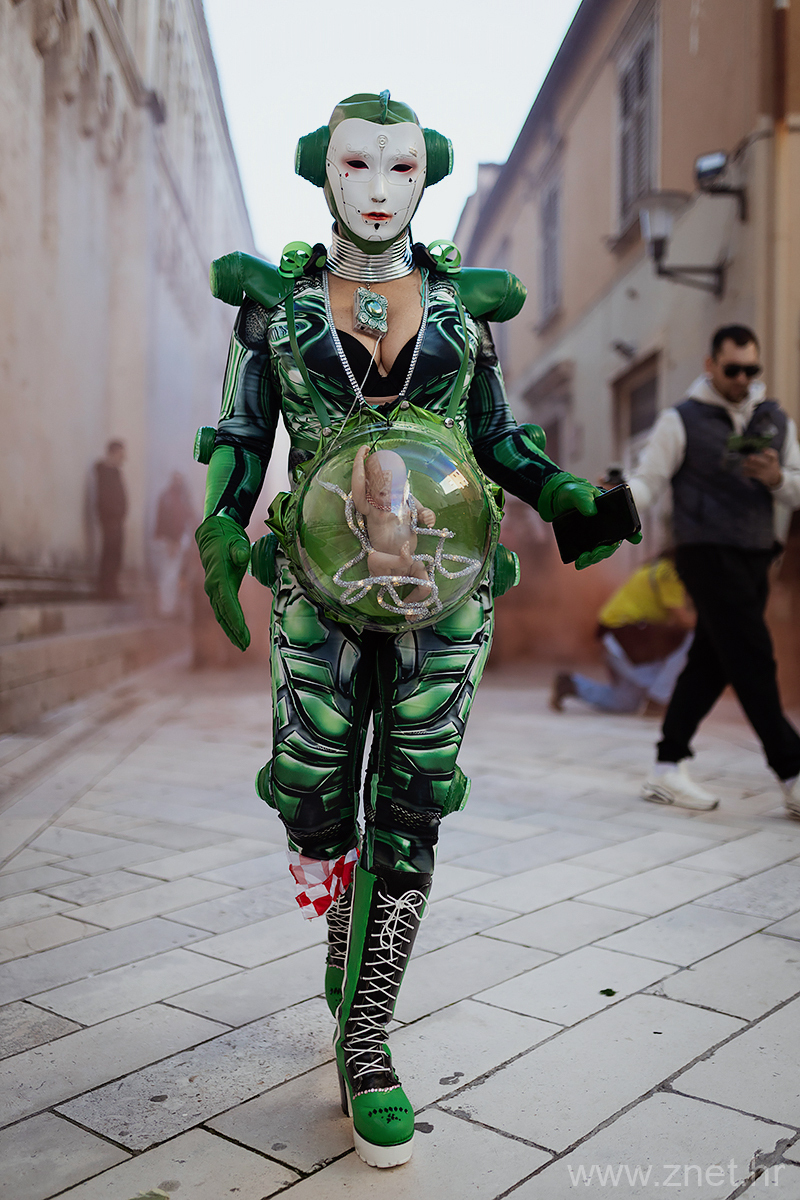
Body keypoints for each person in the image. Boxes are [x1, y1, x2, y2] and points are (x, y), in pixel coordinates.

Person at [194, 92, 632, 1168]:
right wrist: (221, 523)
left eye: (401, 168)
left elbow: (499, 433)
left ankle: (369, 1035)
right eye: (358, 164)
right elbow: (244, 431)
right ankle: (344, 940)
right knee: (311, 792)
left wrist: (561, 492)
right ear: (324, 170)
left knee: (415, 794)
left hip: (447, 588)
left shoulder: (460, 310)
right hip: (316, 579)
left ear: (425, 175)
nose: (380, 189)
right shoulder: (276, 307)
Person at [628, 325, 800, 814]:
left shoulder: (775, 419)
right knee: (752, 658)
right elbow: (648, 482)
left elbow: (798, 486)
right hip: (704, 554)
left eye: (751, 369)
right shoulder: (679, 419)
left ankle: (667, 766)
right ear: (711, 366)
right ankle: (792, 769)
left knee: (712, 660)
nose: (742, 378)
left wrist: (777, 478)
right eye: (732, 369)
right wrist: (611, 505)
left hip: (756, 557)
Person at [551, 553, 694, 716]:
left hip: (620, 636)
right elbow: (684, 619)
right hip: (622, 636)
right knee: (695, 636)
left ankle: (572, 685)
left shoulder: (665, 568)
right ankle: (659, 699)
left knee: (625, 702)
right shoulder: (669, 573)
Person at [153, 471, 194, 616]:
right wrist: (171, 541)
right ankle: (166, 609)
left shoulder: (183, 498)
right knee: (168, 575)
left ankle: (174, 608)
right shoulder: (167, 498)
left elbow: (188, 518)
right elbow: (165, 520)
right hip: (169, 542)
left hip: (180, 542)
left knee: (178, 576)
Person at [94, 439, 127, 600]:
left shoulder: (115, 472)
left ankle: (112, 589)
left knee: (116, 556)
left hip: (117, 520)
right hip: (110, 521)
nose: (123, 458)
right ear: (113, 453)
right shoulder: (104, 472)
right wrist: (111, 516)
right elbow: (104, 498)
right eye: (121, 454)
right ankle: (106, 590)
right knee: (109, 556)